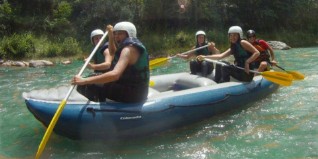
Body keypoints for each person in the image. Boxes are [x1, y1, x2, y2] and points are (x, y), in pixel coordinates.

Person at [72, 21, 150, 103]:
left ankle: (100, 109)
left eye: (120, 33)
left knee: (88, 84)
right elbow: (112, 52)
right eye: (115, 34)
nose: (116, 36)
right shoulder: (127, 47)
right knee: (93, 76)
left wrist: (84, 80)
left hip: (134, 93)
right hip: (132, 88)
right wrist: (110, 35)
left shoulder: (128, 50)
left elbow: (115, 75)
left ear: (129, 33)